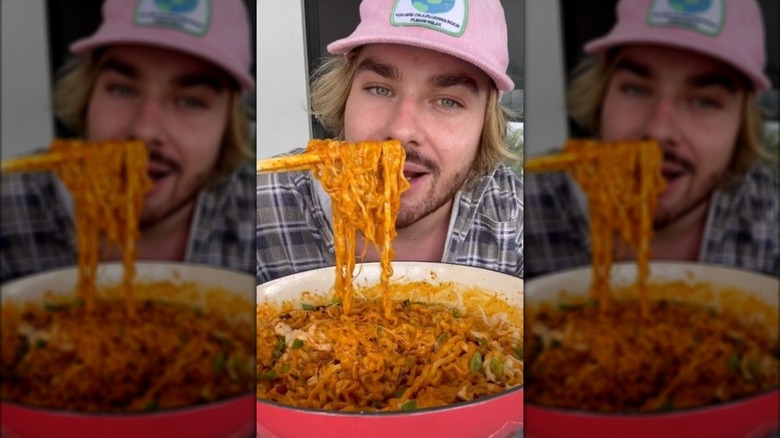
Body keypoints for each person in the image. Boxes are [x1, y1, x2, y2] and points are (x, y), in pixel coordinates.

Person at [256, 0, 523, 284]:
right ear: (345, 96)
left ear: (485, 125)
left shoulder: (522, 220)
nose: (401, 130)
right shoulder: (254, 210)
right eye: (379, 89)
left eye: (448, 101)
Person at [0, 0, 257, 282]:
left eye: (190, 102)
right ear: (87, 97)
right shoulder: (9, 206)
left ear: (227, 126)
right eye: (122, 89)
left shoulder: (252, 213)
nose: (145, 131)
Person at [524, 0, 779, 278]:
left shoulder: (770, 217)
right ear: (602, 97)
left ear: (742, 124)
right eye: (635, 89)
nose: (659, 131)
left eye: (705, 102)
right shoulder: (527, 208)